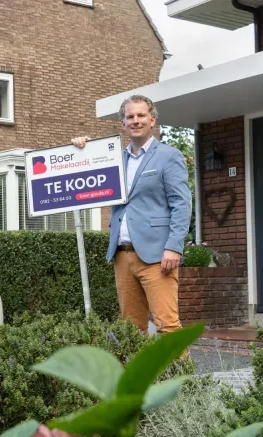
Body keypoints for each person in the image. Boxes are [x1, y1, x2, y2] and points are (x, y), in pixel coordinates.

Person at [72, 94, 191, 335]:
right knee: (131, 330)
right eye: (130, 117)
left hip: (157, 255)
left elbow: (182, 203)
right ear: (123, 123)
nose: (135, 120)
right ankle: (140, 374)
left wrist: (174, 247)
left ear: (152, 120)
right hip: (122, 255)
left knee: (167, 326)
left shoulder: (168, 156)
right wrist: (83, 149)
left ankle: (182, 374)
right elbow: (86, 176)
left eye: (141, 115)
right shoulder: (114, 159)